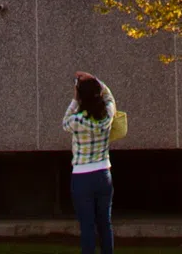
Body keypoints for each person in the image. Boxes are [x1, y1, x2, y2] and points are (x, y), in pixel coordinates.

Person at [63, 70, 120, 254]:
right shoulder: (106, 117)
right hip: (103, 173)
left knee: (87, 226)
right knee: (105, 223)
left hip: (81, 176)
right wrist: (96, 80)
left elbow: (65, 122)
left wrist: (75, 98)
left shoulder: (77, 120)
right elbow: (110, 98)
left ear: (81, 97)